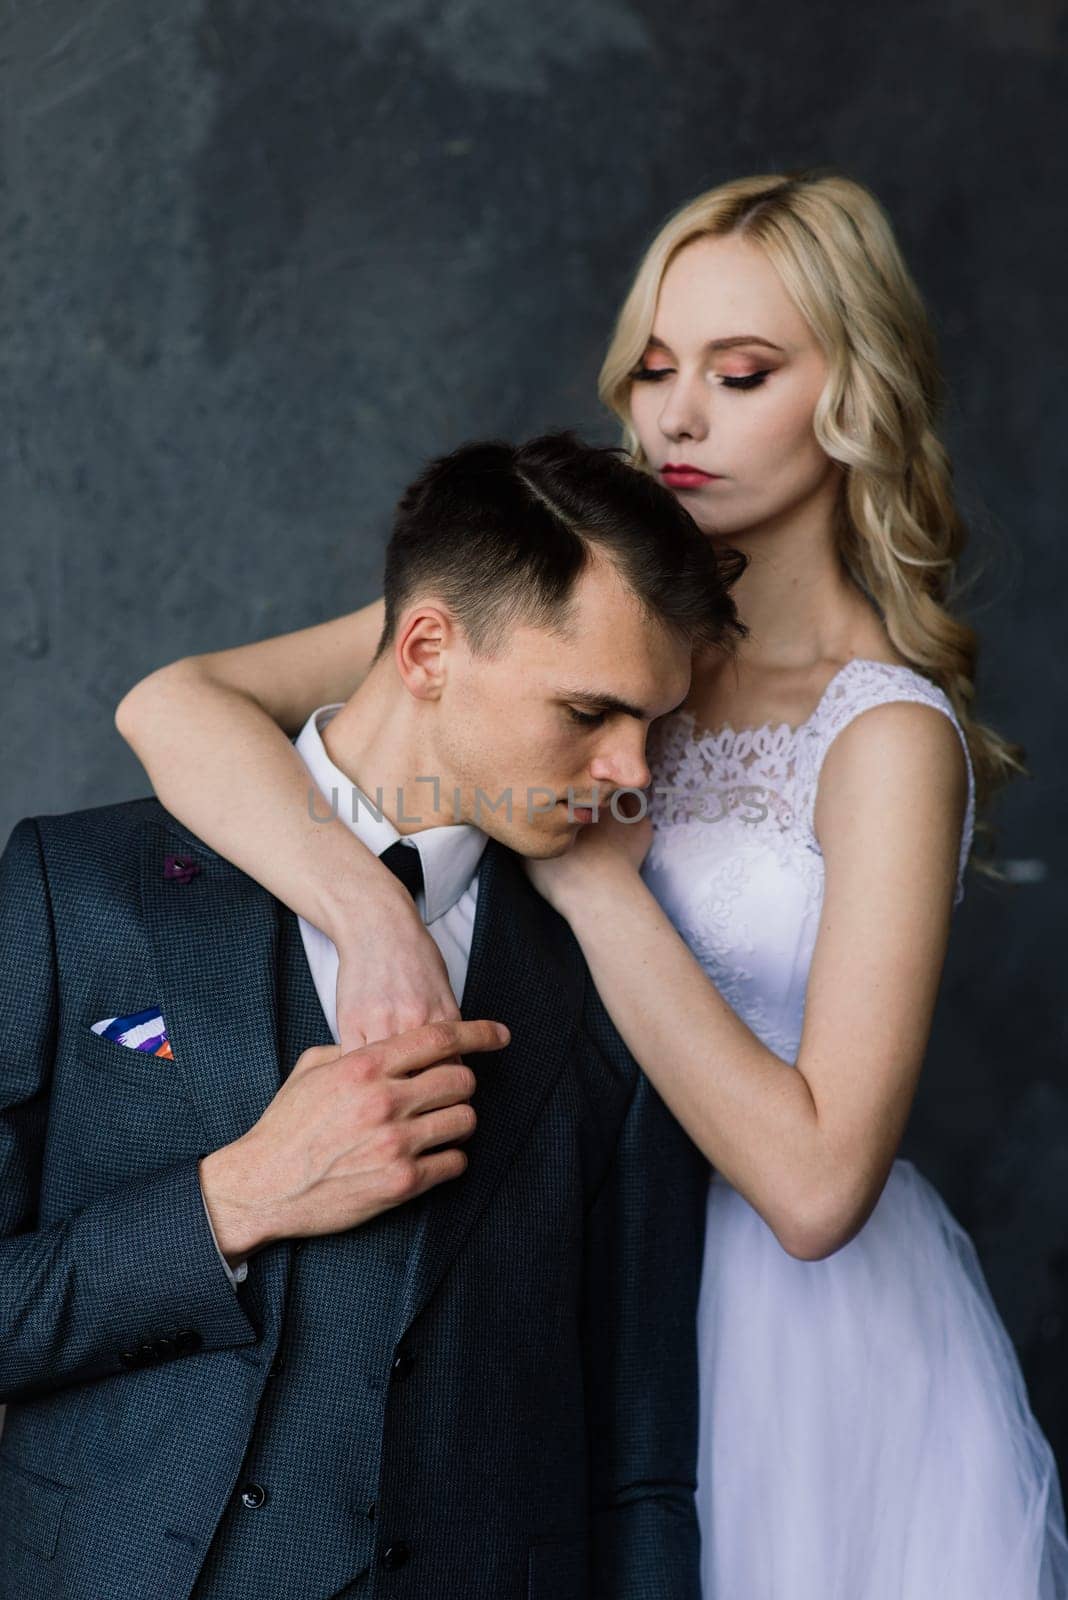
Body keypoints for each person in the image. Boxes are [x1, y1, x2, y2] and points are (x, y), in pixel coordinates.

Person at [114, 171, 1068, 1597]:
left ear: (854, 391)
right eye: (657, 367)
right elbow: (170, 706)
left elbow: (817, 1188)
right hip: (546, 1276)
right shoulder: (567, 613)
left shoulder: (884, 734)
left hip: (780, 1345)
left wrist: (600, 889)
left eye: (743, 374)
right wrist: (366, 911)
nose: (680, 414)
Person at [0, 431, 744, 1600]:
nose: (632, 769)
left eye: (652, 723)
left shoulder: (614, 971)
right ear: (429, 647)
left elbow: (640, 1458)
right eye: (590, 711)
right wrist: (230, 1201)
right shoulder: (78, 886)